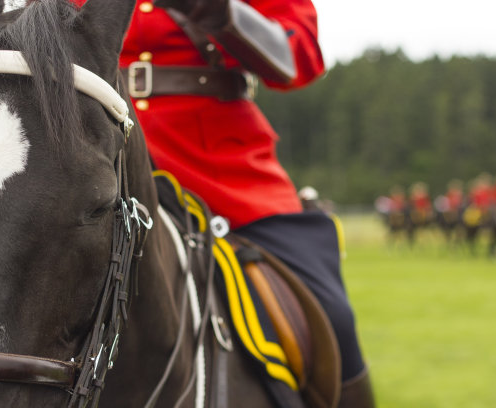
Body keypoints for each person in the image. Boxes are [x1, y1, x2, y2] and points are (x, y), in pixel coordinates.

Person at [73, 0, 374, 406]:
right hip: (91, 155)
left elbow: (297, 51)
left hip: (220, 169)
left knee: (328, 313)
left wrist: (214, 8)